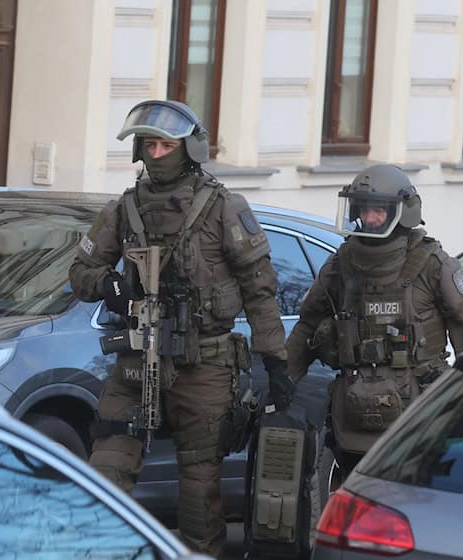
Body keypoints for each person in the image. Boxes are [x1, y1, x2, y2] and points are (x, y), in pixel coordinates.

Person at [69, 99, 294, 557]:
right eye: (148, 144)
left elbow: (259, 288)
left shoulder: (224, 208)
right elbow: (80, 272)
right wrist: (107, 284)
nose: (155, 154)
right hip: (137, 357)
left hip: (204, 365)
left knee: (197, 488)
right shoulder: (123, 209)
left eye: (165, 144)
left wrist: (276, 361)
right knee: (104, 471)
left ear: (189, 148)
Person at [285, 164, 463, 474]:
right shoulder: (341, 264)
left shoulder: (433, 265)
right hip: (354, 412)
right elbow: (308, 325)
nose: (369, 218)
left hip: (418, 413)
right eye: (363, 209)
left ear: (402, 213)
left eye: (378, 211)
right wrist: (281, 381)